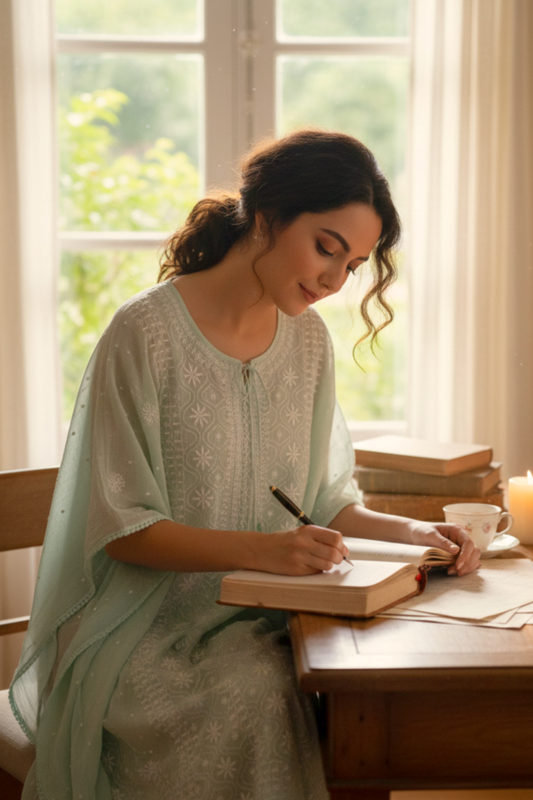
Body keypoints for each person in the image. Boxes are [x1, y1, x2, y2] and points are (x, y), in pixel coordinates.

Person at [10, 129, 481, 800]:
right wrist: (266, 552)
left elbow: (323, 500)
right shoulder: (142, 334)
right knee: (261, 696)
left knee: (362, 686)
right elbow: (125, 530)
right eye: (325, 247)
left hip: (275, 615)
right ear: (266, 218)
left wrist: (416, 534)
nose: (334, 280)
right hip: (144, 631)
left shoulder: (310, 342)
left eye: (351, 265)